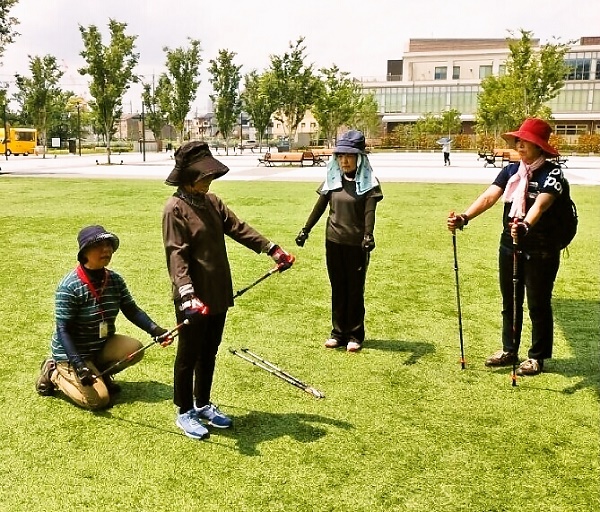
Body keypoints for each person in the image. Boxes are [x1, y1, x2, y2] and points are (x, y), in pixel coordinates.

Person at [162, 141, 295, 440]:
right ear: (188, 177)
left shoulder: (213, 203)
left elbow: (238, 228)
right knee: (188, 354)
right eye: (203, 176)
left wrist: (272, 249)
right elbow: (176, 254)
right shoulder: (175, 208)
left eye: (210, 176)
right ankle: (184, 411)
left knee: (209, 352)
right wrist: (187, 294)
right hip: (192, 296)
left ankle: (203, 403)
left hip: (218, 291)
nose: (209, 181)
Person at [447, 118, 567, 376]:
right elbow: (489, 196)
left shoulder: (552, 174)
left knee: (538, 303)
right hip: (509, 244)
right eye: (518, 141)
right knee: (510, 300)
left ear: (540, 146)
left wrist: (525, 224)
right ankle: (509, 349)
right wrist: (464, 217)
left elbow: (541, 204)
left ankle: (537, 357)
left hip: (541, 248)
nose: (519, 145)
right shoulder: (512, 171)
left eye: (526, 142)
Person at [35, 225, 172, 410]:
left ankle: (99, 374)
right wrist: (78, 364)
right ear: (84, 252)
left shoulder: (114, 280)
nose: (107, 249)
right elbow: (63, 330)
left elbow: (131, 309)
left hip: (100, 345)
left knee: (135, 349)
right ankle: (53, 372)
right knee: (99, 401)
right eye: (99, 245)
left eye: (109, 245)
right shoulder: (69, 287)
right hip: (72, 354)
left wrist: (155, 330)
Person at [295, 130, 383, 352]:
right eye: (340, 156)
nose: (344, 160)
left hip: (356, 244)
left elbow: (369, 212)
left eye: (349, 156)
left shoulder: (369, 183)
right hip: (333, 241)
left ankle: (355, 335)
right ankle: (337, 333)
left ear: (360, 158)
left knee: (354, 289)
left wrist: (368, 235)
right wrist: (306, 230)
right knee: (337, 288)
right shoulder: (332, 180)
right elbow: (320, 206)